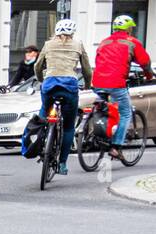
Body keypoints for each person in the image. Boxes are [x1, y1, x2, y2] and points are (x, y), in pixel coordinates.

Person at [91, 14, 153, 160]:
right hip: (116, 83)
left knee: (103, 108)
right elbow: (144, 61)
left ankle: (96, 134)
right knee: (125, 113)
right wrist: (149, 75)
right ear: (129, 28)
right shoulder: (132, 42)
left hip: (98, 81)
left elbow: (99, 60)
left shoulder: (104, 42)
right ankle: (116, 147)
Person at [34, 20, 91, 174]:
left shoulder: (48, 44)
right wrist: (87, 84)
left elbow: (37, 66)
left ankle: (39, 144)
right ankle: (63, 163)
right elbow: (86, 69)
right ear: (72, 32)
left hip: (49, 85)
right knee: (68, 126)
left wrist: (41, 79)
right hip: (69, 87)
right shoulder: (78, 45)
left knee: (43, 115)